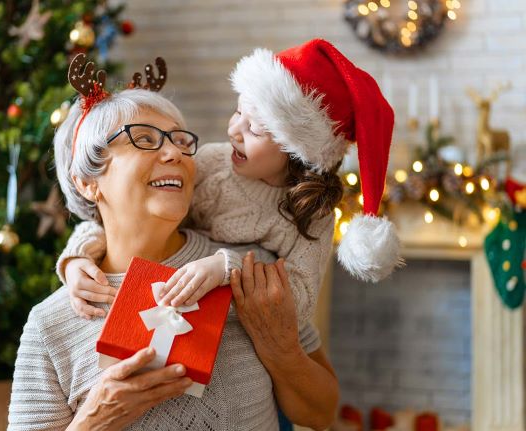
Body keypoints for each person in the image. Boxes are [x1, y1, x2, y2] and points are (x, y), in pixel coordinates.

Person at [8, 54, 340, 430]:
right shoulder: (50, 324)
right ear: (87, 182)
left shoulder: (248, 270)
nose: (174, 153)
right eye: (144, 139)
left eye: (180, 141)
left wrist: (281, 350)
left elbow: (321, 413)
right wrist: (94, 419)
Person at [58, 39, 402, 329]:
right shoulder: (209, 163)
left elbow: (300, 305)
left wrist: (228, 268)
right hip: (170, 300)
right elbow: (127, 220)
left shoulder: (311, 213)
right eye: (238, 112)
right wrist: (78, 257)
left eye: (253, 129)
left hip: (233, 330)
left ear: (294, 151)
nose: (233, 130)